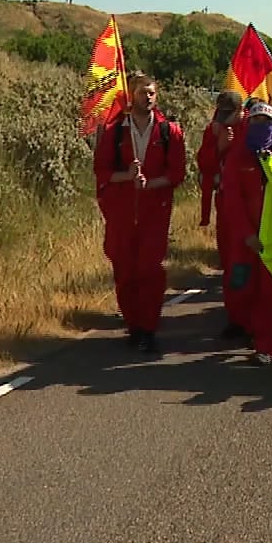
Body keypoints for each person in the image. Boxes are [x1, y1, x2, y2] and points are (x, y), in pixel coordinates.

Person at [94, 73, 188, 355]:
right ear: (130, 95)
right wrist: (127, 176)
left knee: (149, 270)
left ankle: (148, 327)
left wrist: (150, 183)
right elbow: (102, 171)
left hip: (154, 213)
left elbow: (177, 173)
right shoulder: (115, 132)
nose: (146, 98)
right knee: (124, 271)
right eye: (141, 93)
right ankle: (133, 324)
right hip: (122, 213)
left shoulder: (169, 132)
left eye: (151, 93)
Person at [216, 102, 272, 365]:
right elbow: (232, 201)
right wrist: (246, 234)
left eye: (267, 122)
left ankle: (266, 344)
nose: (261, 126)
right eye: (256, 121)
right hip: (246, 240)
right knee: (242, 286)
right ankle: (248, 327)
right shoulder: (237, 157)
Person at [195, 91, 243, 338]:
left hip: (249, 205)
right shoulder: (213, 130)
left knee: (248, 262)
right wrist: (220, 146)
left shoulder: (250, 128)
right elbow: (203, 162)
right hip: (225, 203)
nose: (225, 121)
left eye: (230, 115)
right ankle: (235, 317)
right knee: (230, 261)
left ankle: (250, 316)